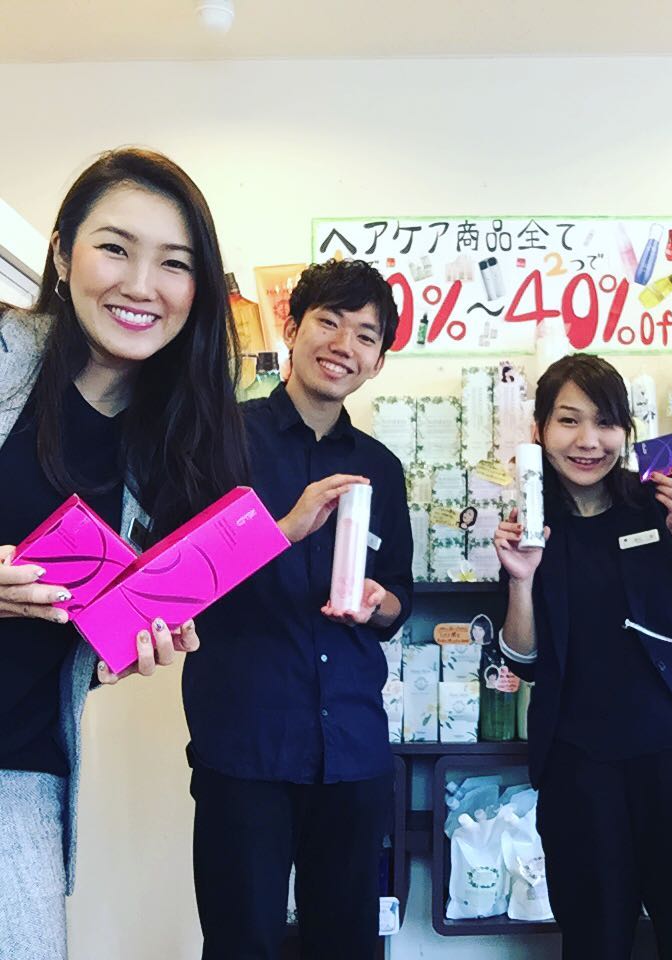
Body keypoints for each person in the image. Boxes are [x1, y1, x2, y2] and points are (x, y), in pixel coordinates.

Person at [0, 147, 247, 959]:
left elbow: (83, 629)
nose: (142, 285)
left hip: (19, 770)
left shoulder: (174, 446)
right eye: (115, 247)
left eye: (174, 263)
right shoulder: (5, 356)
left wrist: (128, 643)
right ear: (63, 254)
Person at [183, 258, 414, 960]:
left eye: (366, 335)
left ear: (378, 362)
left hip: (352, 751)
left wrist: (379, 603)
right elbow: (184, 579)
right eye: (329, 322)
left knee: (347, 944)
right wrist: (283, 529)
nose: (344, 344)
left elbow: (399, 597)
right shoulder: (220, 438)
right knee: (242, 942)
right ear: (292, 328)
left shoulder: (381, 467)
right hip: (245, 748)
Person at [494, 354, 672, 960]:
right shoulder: (531, 524)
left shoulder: (657, 503)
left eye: (605, 423)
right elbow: (524, 662)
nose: (589, 441)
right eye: (569, 421)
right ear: (539, 430)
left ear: (626, 431)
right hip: (582, 770)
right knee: (594, 939)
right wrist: (521, 580)